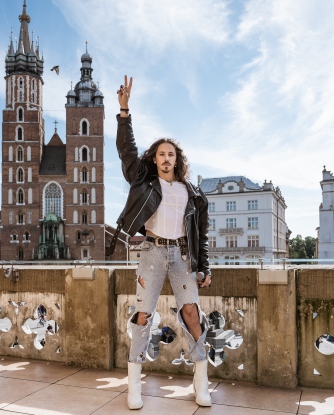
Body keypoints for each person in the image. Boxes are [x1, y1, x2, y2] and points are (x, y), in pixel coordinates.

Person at [107, 75, 212, 409]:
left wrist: (205, 267)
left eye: (172, 154)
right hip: (152, 252)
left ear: (178, 160)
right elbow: (127, 151)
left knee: (192, 313)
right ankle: (134, 387)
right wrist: (124, 112)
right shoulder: (144, 181)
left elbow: (200, 235)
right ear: (154, 159)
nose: (167, 158)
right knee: (143, 315)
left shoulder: (193, 193)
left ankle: (201, 382)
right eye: (162, 154)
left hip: (182, 255)